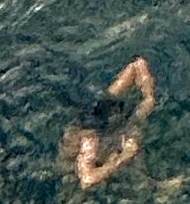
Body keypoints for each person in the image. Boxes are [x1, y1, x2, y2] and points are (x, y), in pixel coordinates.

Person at [61, 52, 156, 189]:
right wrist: (123, 157)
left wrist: (148, 94)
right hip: (84, 165)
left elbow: (137, 65)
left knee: (145, 107)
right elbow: (87, 180)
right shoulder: (88, 140)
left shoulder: (103, 109)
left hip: (105, 126)